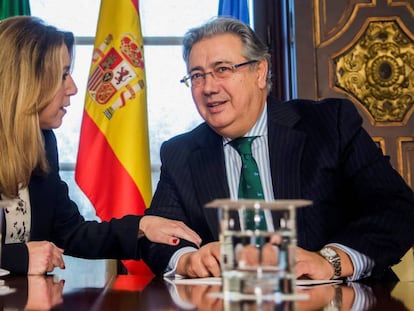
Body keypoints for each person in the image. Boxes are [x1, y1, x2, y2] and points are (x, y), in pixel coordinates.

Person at [141, 16, 414, 281]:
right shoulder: (181, 154)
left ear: (259, 71)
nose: (208, 87)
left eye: (222, 69)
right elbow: (157, 236)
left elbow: (397, 210)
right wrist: (187, 259)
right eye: (197, 76)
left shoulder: (329, 126)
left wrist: (330, 260)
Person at [0, 16, 201, 275]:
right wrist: (18, 257)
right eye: (62, 75)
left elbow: (69, 232)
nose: (72, 88)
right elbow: (20, 255)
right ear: (26, 80)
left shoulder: (42, 142)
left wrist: (142, 225)